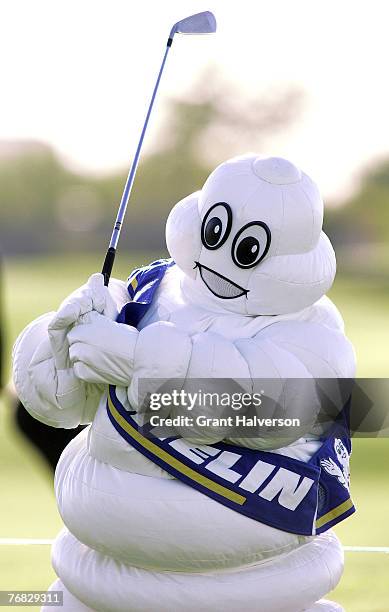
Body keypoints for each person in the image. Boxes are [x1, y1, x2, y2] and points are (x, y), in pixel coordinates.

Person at [13, 156, 356, 611]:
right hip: (97, 570)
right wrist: (61, 344)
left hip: (251, 566)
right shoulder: (149, 289)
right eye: (216, 232)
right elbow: (57, 408)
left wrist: (139, 362)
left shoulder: (313, 335)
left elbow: (272, 409)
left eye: (247, 248)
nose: (223, 259)